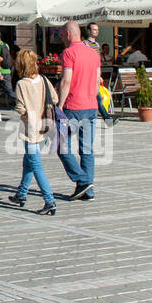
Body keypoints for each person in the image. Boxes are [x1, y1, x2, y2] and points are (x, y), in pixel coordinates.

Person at [8, 48, 56, 216]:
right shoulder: (44, 79)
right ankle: (21, 193)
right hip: (44, 128)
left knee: (36, 166)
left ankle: (49, 200)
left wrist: (23, 109)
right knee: (28, 162)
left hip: (30, 130)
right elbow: (55, 99)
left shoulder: (22, 84)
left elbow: (20, 108)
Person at [57, 22, 101, 201]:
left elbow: (66, 81)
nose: (60, 37)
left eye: (61, 34)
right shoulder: (93, 53)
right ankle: (88, 191)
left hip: (74, 106)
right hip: (91, 105)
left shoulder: (68, 53)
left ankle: (82, 181)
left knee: (61, 145)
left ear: (68, 34)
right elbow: (98, 81)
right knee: (87, 150)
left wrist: (59, 105)